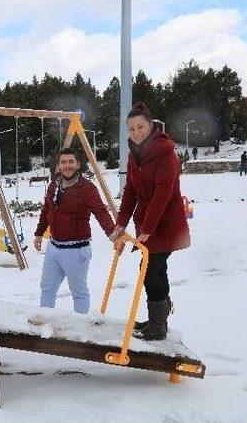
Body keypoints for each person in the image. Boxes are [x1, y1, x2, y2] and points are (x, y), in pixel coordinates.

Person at [109, 102, 191, 341]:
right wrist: (121, 222)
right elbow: (131, 191)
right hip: (149, 223)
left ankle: (158, 325)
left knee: (150, 270)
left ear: (151, 125)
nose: (136, 132)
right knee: (156, 269)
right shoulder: (134, 155)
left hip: (165, 223)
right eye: (131, 129)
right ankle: (158, 318)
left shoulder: (166, 152)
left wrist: (148, 229)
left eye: (140, 127)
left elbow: (163, 193)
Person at [33, 147, 118, 314]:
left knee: (78, 293)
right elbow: (46, 210)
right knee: (47, 289)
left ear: (78, 164)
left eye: (71, 162)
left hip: (76, 250)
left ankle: (80, 331)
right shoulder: (54, 184)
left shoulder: (87, 188)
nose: (67, 165)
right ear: (59, 165)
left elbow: (100, 211)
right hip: (53, 248)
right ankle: (45, 324)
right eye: (63, 162)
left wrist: (113, 234)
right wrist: (39, 233)